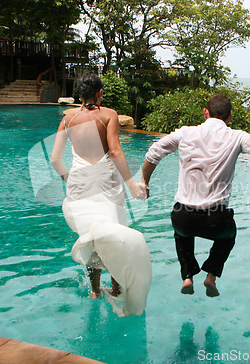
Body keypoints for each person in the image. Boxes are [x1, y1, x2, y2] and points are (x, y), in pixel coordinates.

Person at [141, 94, 250, 297]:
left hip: (184, 216)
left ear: (205, 112)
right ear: (229, 118)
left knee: (181, 233)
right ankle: (211, 276)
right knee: (228, 236)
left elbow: (153, 153)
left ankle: (187, 277)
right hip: (216, 220)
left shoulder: (185, 133)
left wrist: (144, 182)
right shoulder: (237, 136)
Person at [51, 73, 151, 316]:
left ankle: (94, 291)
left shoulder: (67, 119)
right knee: (113, 231)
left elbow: (55, 159)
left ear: (80, 94)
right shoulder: (108, 115)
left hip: (79, 184)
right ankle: (117, 288)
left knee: (91, 235)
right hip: (106, 182)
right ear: (99, 93)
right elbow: (115, 150)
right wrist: (131, 184)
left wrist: (68, 178)